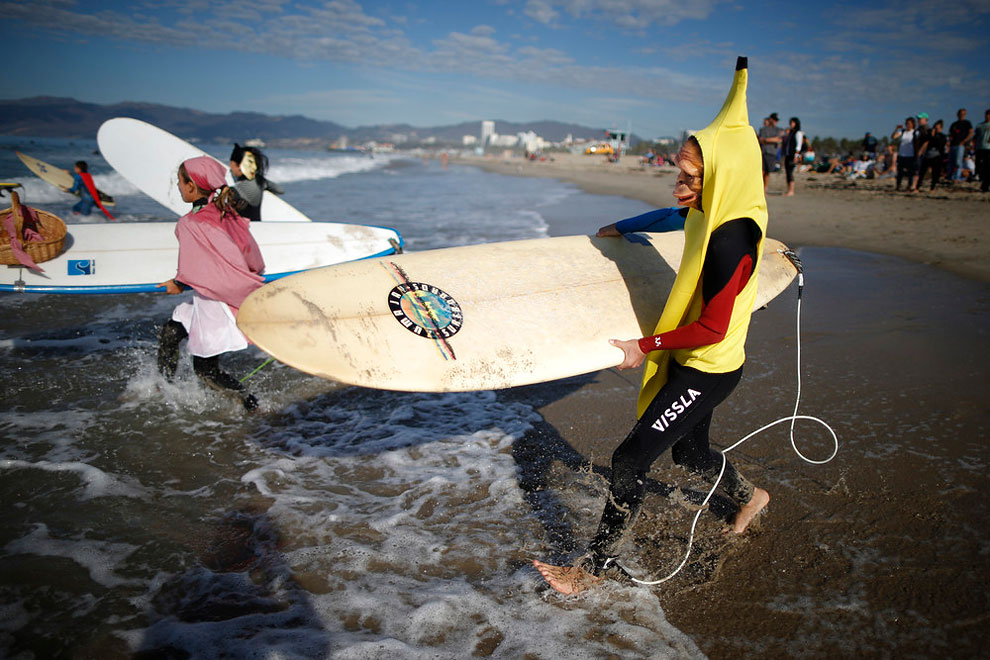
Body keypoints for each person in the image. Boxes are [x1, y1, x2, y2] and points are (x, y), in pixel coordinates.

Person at [534, 57, 770, 595]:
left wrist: (646, 345)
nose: (678, 186)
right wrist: (623, 227)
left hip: (707, 366)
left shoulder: (733, 240)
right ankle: (750, 496)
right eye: (678, 174)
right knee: (688, 454)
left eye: (689, 179)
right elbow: (673, 218)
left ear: (723, 177)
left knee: (629, 458)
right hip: (695, 359)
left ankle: (591, 571)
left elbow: (712, 328)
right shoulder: (717, 205)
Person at [157, 156, 266, 411]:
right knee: (171, 333)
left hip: (216, 303)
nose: (179, 187)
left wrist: (178, 283)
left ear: (192, 186)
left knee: (205, 369)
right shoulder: (226, 213)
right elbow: (249, 254)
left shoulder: (192, 222)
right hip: (213, 294)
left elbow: (195, 265)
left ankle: (251, 405)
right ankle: (164, 388)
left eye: (180, 183)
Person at [229, 144, 285, 221]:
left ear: (239, 166)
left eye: (232, 166)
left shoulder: (236, 190)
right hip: (257, 226)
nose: (230, 169)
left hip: (243, 230)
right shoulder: (260, 182)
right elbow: (280, 190)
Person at [916, 119, 947, 191]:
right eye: (935, 128)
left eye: (937, 128)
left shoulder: (942, 136)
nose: (935, 129)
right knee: (922, 172)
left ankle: (932, 188)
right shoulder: (929, 135)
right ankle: (917, 187)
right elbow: (925, 141)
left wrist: (933, 137)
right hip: (927, 155)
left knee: (935, 173)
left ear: (941, 128)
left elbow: (940, 145)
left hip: (936, 156)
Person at [757, 112, 783, 191]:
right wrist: (772, 139)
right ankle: (760, 189)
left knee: (767, 172)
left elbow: (778, 139)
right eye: (774, 120)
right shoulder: (763, 129)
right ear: (771, 119)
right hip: (763, 152)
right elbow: (761, 140)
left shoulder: (777, 129)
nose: (776, 122)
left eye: (777, 120)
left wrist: (766, 140)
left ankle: (764, 189)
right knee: (762, 171)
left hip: (772, 153)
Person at [891, 117, 917, 191]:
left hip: (910, 155)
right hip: (901, 154)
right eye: (907, 123)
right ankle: (898, 185)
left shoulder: (915, 132)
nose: (908, 125)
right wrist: (896, 129)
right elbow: (893, 137)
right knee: (900, 172)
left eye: (909, 123)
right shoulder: (903, 132)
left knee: (910, 172)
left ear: (913, 124)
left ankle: (909, 186)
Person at [948, 109, 973, 182]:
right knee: (951, 162)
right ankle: (950, 176)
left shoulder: (967, 123)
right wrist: (950, 141)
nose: (962, 115)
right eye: (961, 114)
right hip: (953, 145)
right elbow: (950, 134)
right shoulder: (954, 124)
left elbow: (971, 132)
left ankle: (957, 177)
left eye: (963, 114)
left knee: (958, 162)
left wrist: (965, 141)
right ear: (958, 114)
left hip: (960, 145)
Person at [781, 117, 803, 196]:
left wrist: (796, 155)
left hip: (793, 155)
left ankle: (791, 190)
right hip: (788, 154)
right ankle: (789, 190)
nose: (791, 124)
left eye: (792, 123)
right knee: (787, 171)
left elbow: (799, 145)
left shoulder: (798, 133)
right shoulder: (791, 132)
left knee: (790, 172)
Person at [974, 108, 990, 193]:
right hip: (980, 148)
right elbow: (975, 136)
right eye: (986, 114)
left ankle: (985, 185)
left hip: (988, 148)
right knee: (982, 166)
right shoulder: (980, 125)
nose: (987, 116)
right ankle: (983, 182)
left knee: (988, 167)